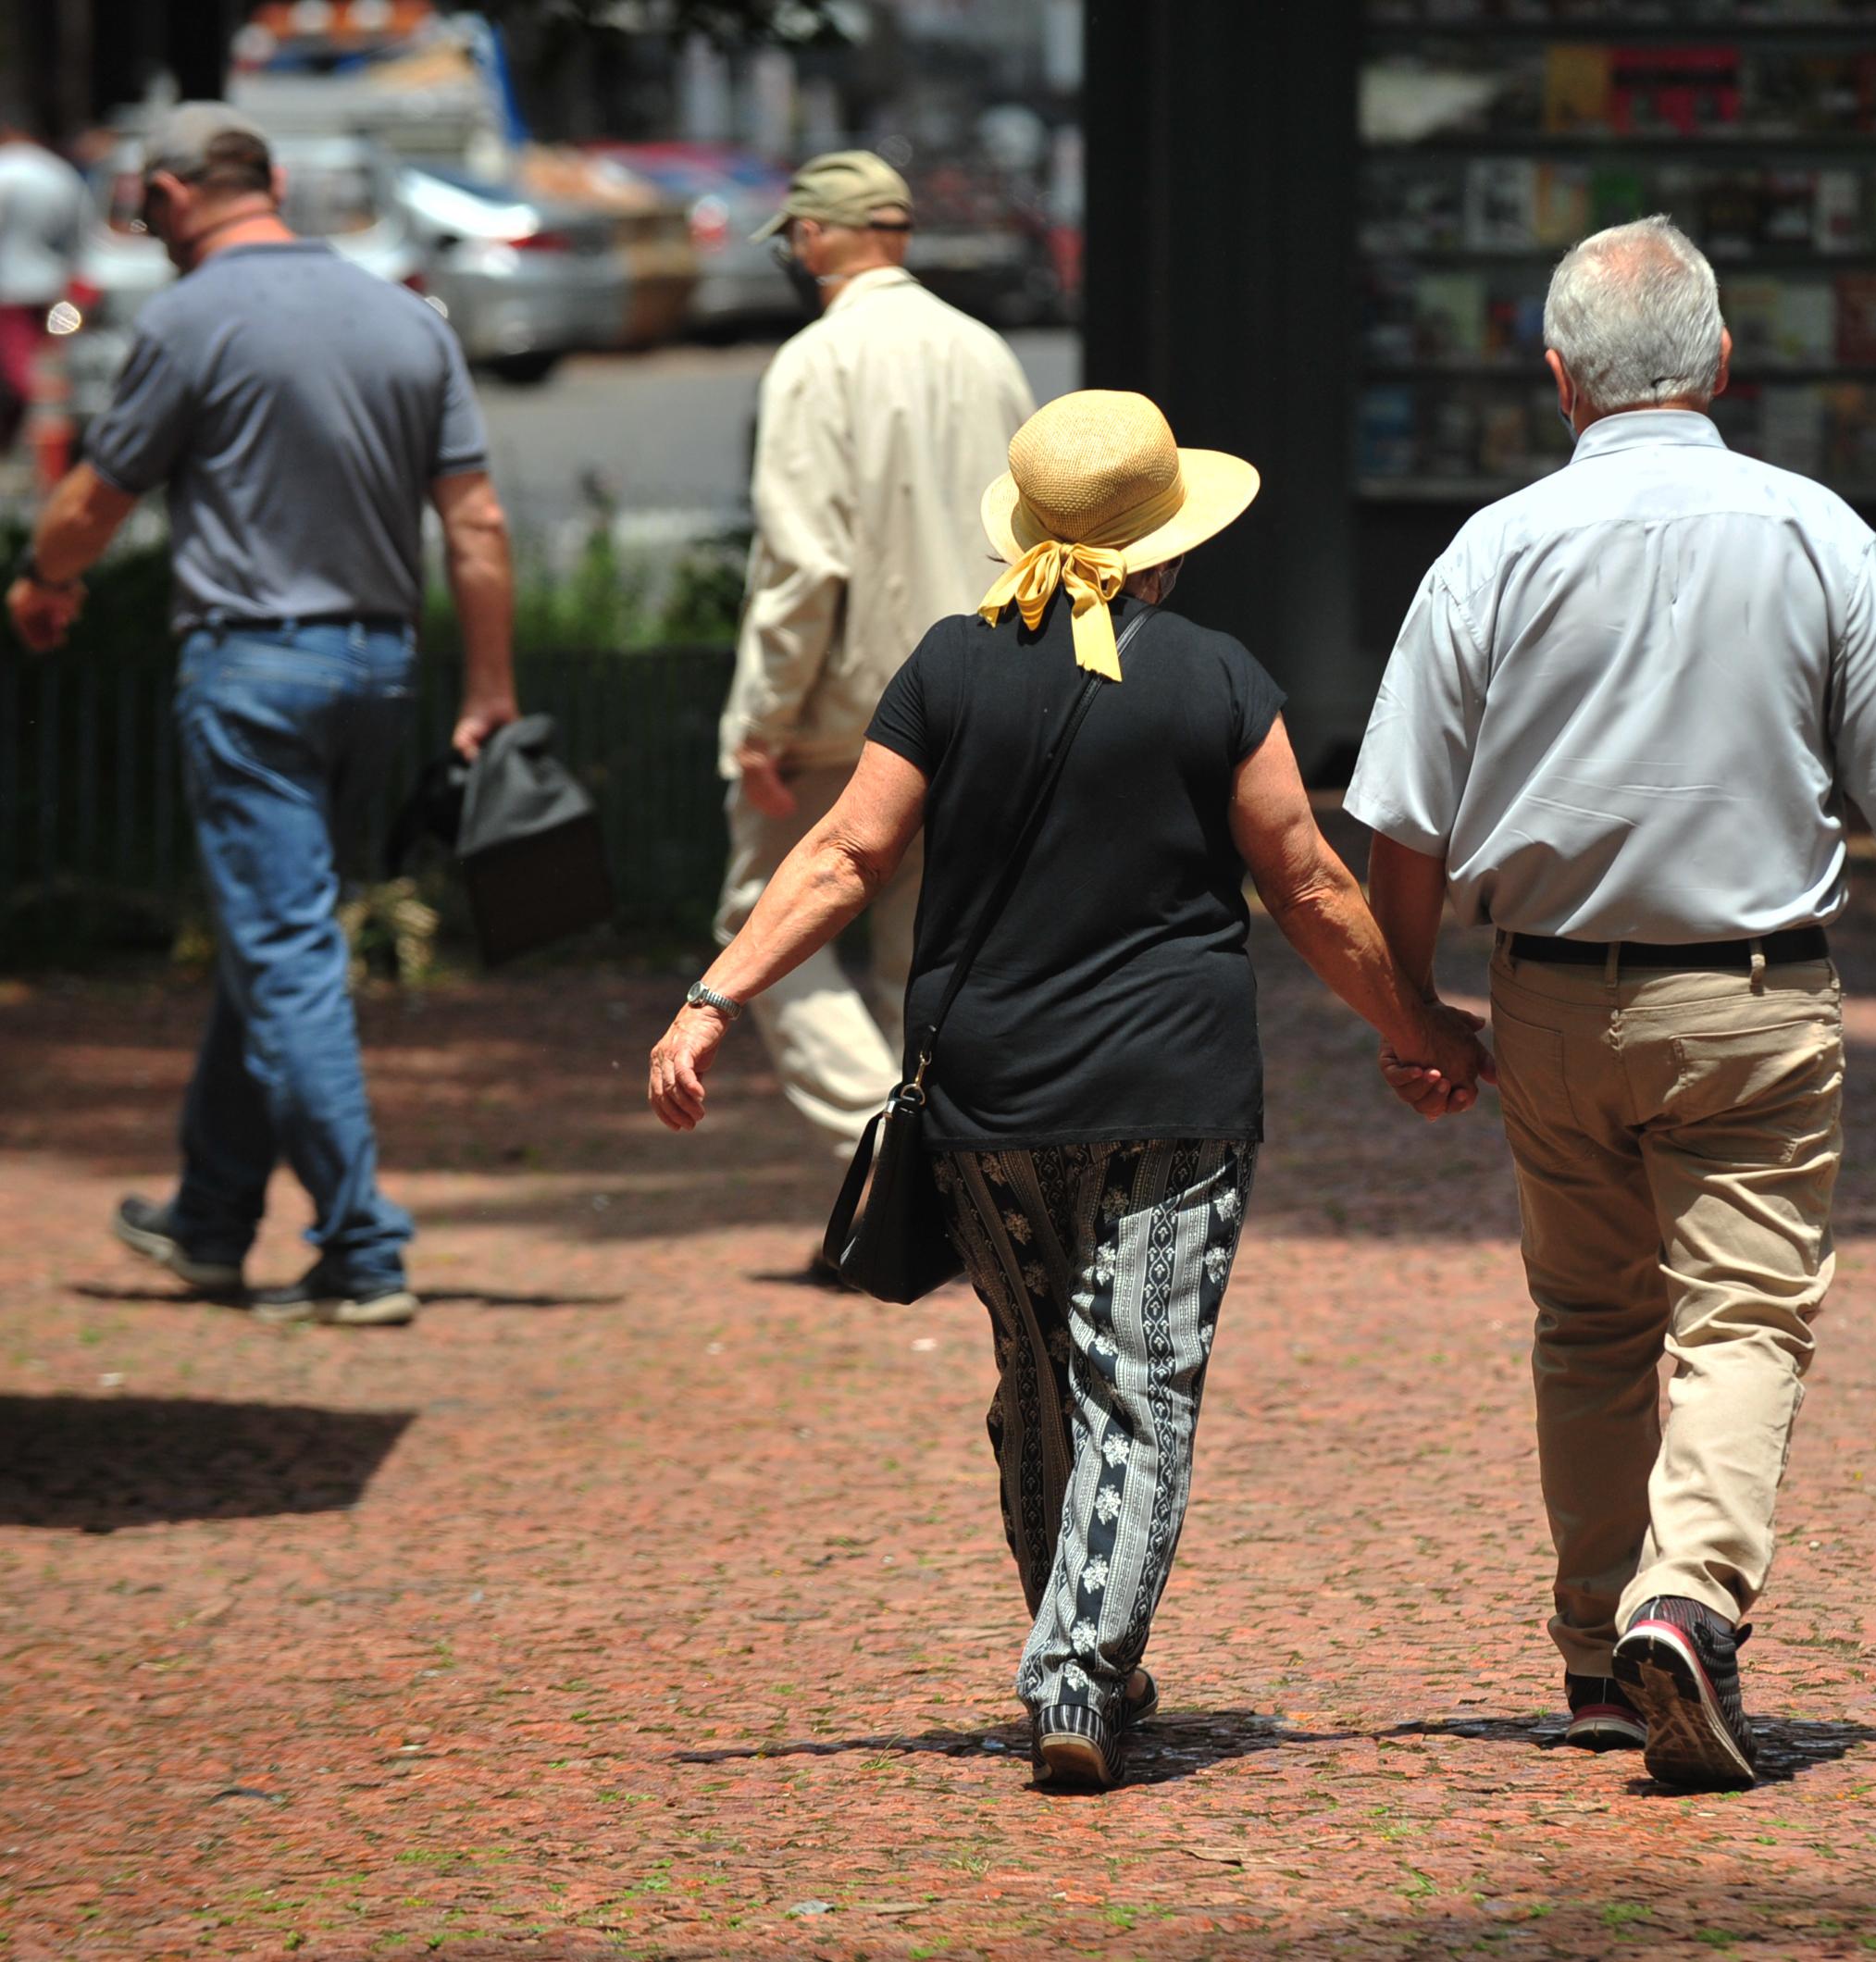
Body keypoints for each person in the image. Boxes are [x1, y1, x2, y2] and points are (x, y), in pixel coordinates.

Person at [645, 390, 1490, 1793]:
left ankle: (1080, 1653)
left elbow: (848, 853)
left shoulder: (947, 667)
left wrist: (712, 997)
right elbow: (1303, 881)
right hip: (1175, 1094)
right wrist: (1422, 1027)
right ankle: (1081, 1670)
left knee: (1039, 1386)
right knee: (1136, 1386)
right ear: (1169, 542)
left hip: (988, 1098)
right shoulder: (1218, 677)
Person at [1345, 217, 1876, 1791]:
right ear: (1720, 363)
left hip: (1548, 1001)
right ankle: (1688, 1601)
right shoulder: (1814, 533)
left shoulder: (1489, 550)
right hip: (1751, 1001)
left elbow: (1402, 831)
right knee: (1743, 1317)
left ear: (1558, 379)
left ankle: (1596, 1656)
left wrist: (1416, 1017)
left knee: (1588, 1322)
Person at [5, 104, 517, 1328]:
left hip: (253, 671)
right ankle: (211, 1215)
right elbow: (477, 520)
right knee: (275, 935)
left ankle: (362, 1249)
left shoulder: (191, 317)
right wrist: (490, 688)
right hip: (380, 669)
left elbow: (96, 498)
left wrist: (42, 579)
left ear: (172, 198)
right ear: (275, 180)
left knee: (285, 951)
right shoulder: (406, 314)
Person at [716, 149, 1038, 1227]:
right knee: (929, 946)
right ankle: (952, 1180)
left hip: (847, 706)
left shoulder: (815, 359)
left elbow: (802, 563)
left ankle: (891, 1157)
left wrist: (760, 718)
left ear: (814, 236)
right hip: (982, 686)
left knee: (763, 918)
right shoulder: (986, 349)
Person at [0, 104, 87, 455]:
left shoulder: (6, 170)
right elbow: (78, 237)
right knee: (46, 364)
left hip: (9, 288)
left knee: (19, 368)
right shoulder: (60, 172)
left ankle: (32, 442)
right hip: (50, 283)